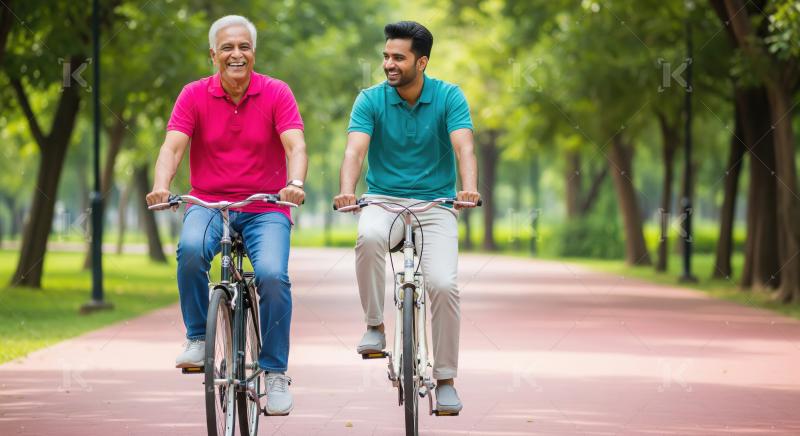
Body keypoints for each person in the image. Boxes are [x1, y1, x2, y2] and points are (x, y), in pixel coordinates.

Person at [145, 15, 307, 416]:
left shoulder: (276, 92)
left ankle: (274, 372)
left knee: (271, 274)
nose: (237, 54)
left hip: (265, 205)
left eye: (245, 47)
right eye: (228, 48)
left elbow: (295, 144)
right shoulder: (193, 95)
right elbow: (172, 147)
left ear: (254, 52)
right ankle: (198, 337)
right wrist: (162, 184)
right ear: (213, 54)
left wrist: (296, 182)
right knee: (190, 250)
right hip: (208, 203)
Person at [333, 21, 480, 414]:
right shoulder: (370, 99)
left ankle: (446, 379)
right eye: (386, 56)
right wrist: (348, 189)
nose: (388, 64)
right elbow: (354, 152)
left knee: (444, 285)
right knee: (368, 237)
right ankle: (374, 326)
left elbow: (464, 147)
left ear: (423, 61)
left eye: (398, 57)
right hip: (383, 201)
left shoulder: (449, 97)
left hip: (436, 206)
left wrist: (468, 188)